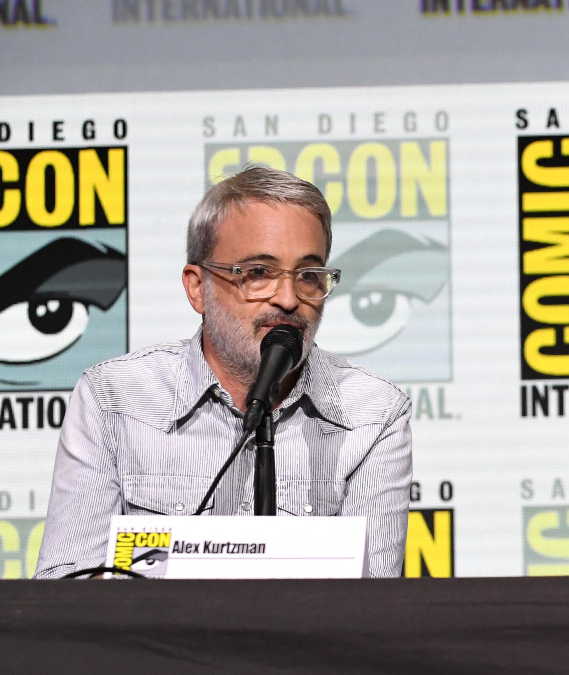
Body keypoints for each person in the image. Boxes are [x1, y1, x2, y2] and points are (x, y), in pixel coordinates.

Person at [35, 166, 412, 579]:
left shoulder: (373, 414)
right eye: (257, 273)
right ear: (198, 288)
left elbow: (372, 611)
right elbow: (66, 596)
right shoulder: (113, 400)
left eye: (308, 275)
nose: (288, 299)